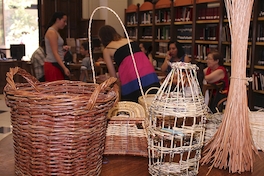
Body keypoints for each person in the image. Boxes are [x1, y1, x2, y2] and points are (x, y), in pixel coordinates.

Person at [98, 25, 160, 102]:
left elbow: (113, 77)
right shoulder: (129, 40)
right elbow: (134, 62)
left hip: (132, 80)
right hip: (149, 73)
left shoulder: (107, 50)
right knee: (153, 103)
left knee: (133, 106)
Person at [44, 12, 70, 82]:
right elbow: (55, 52)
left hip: (56, 63)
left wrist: (62, 49)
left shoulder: (55, 32)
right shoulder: (52, 32)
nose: (65, 24)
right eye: (64, 21)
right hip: (52, 64)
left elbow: (55, 49)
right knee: (56, 89)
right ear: (58, 20)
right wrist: (64, 68)